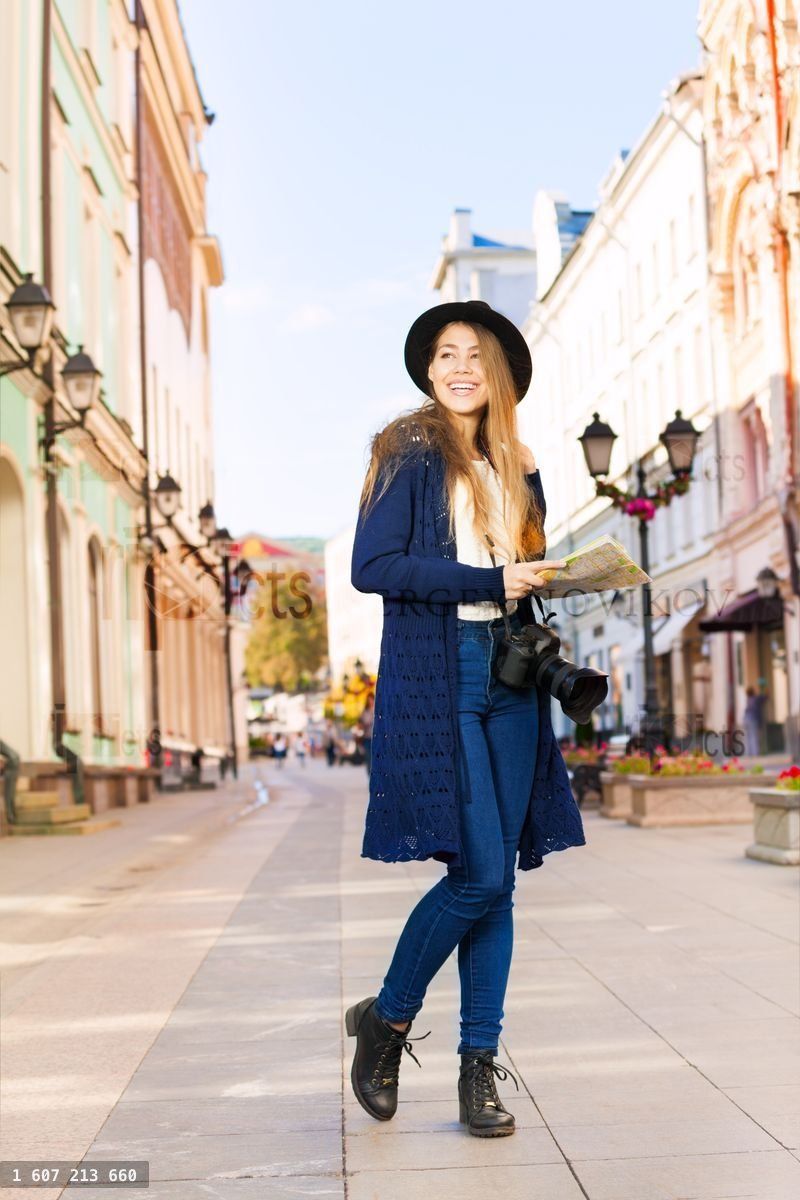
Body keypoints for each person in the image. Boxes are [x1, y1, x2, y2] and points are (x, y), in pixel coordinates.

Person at [344, 300, 582, 1138]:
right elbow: (373, 566)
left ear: (500, 373)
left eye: (475, 356)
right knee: (479, 877)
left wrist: (550, 578)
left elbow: (518, 567)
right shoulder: (409, 448)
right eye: (446, 354)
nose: (460, 368)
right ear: (429, 369)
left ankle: (478, 1070)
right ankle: (390, 1020)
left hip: (511, 677)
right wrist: (492, 582)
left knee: (500, 884)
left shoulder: (520, 462)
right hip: (442, 673)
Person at [359, 693, 375, 777]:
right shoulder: (364, 712)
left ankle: (375, 775)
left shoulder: (378, 709)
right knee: (368, 758)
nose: (371, 702)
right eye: (369, 700)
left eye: (372, 699)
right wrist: (366, 723)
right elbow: (360, 724)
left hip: (376, 738)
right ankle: (370, 775)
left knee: (376, 758)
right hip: (367, 737)